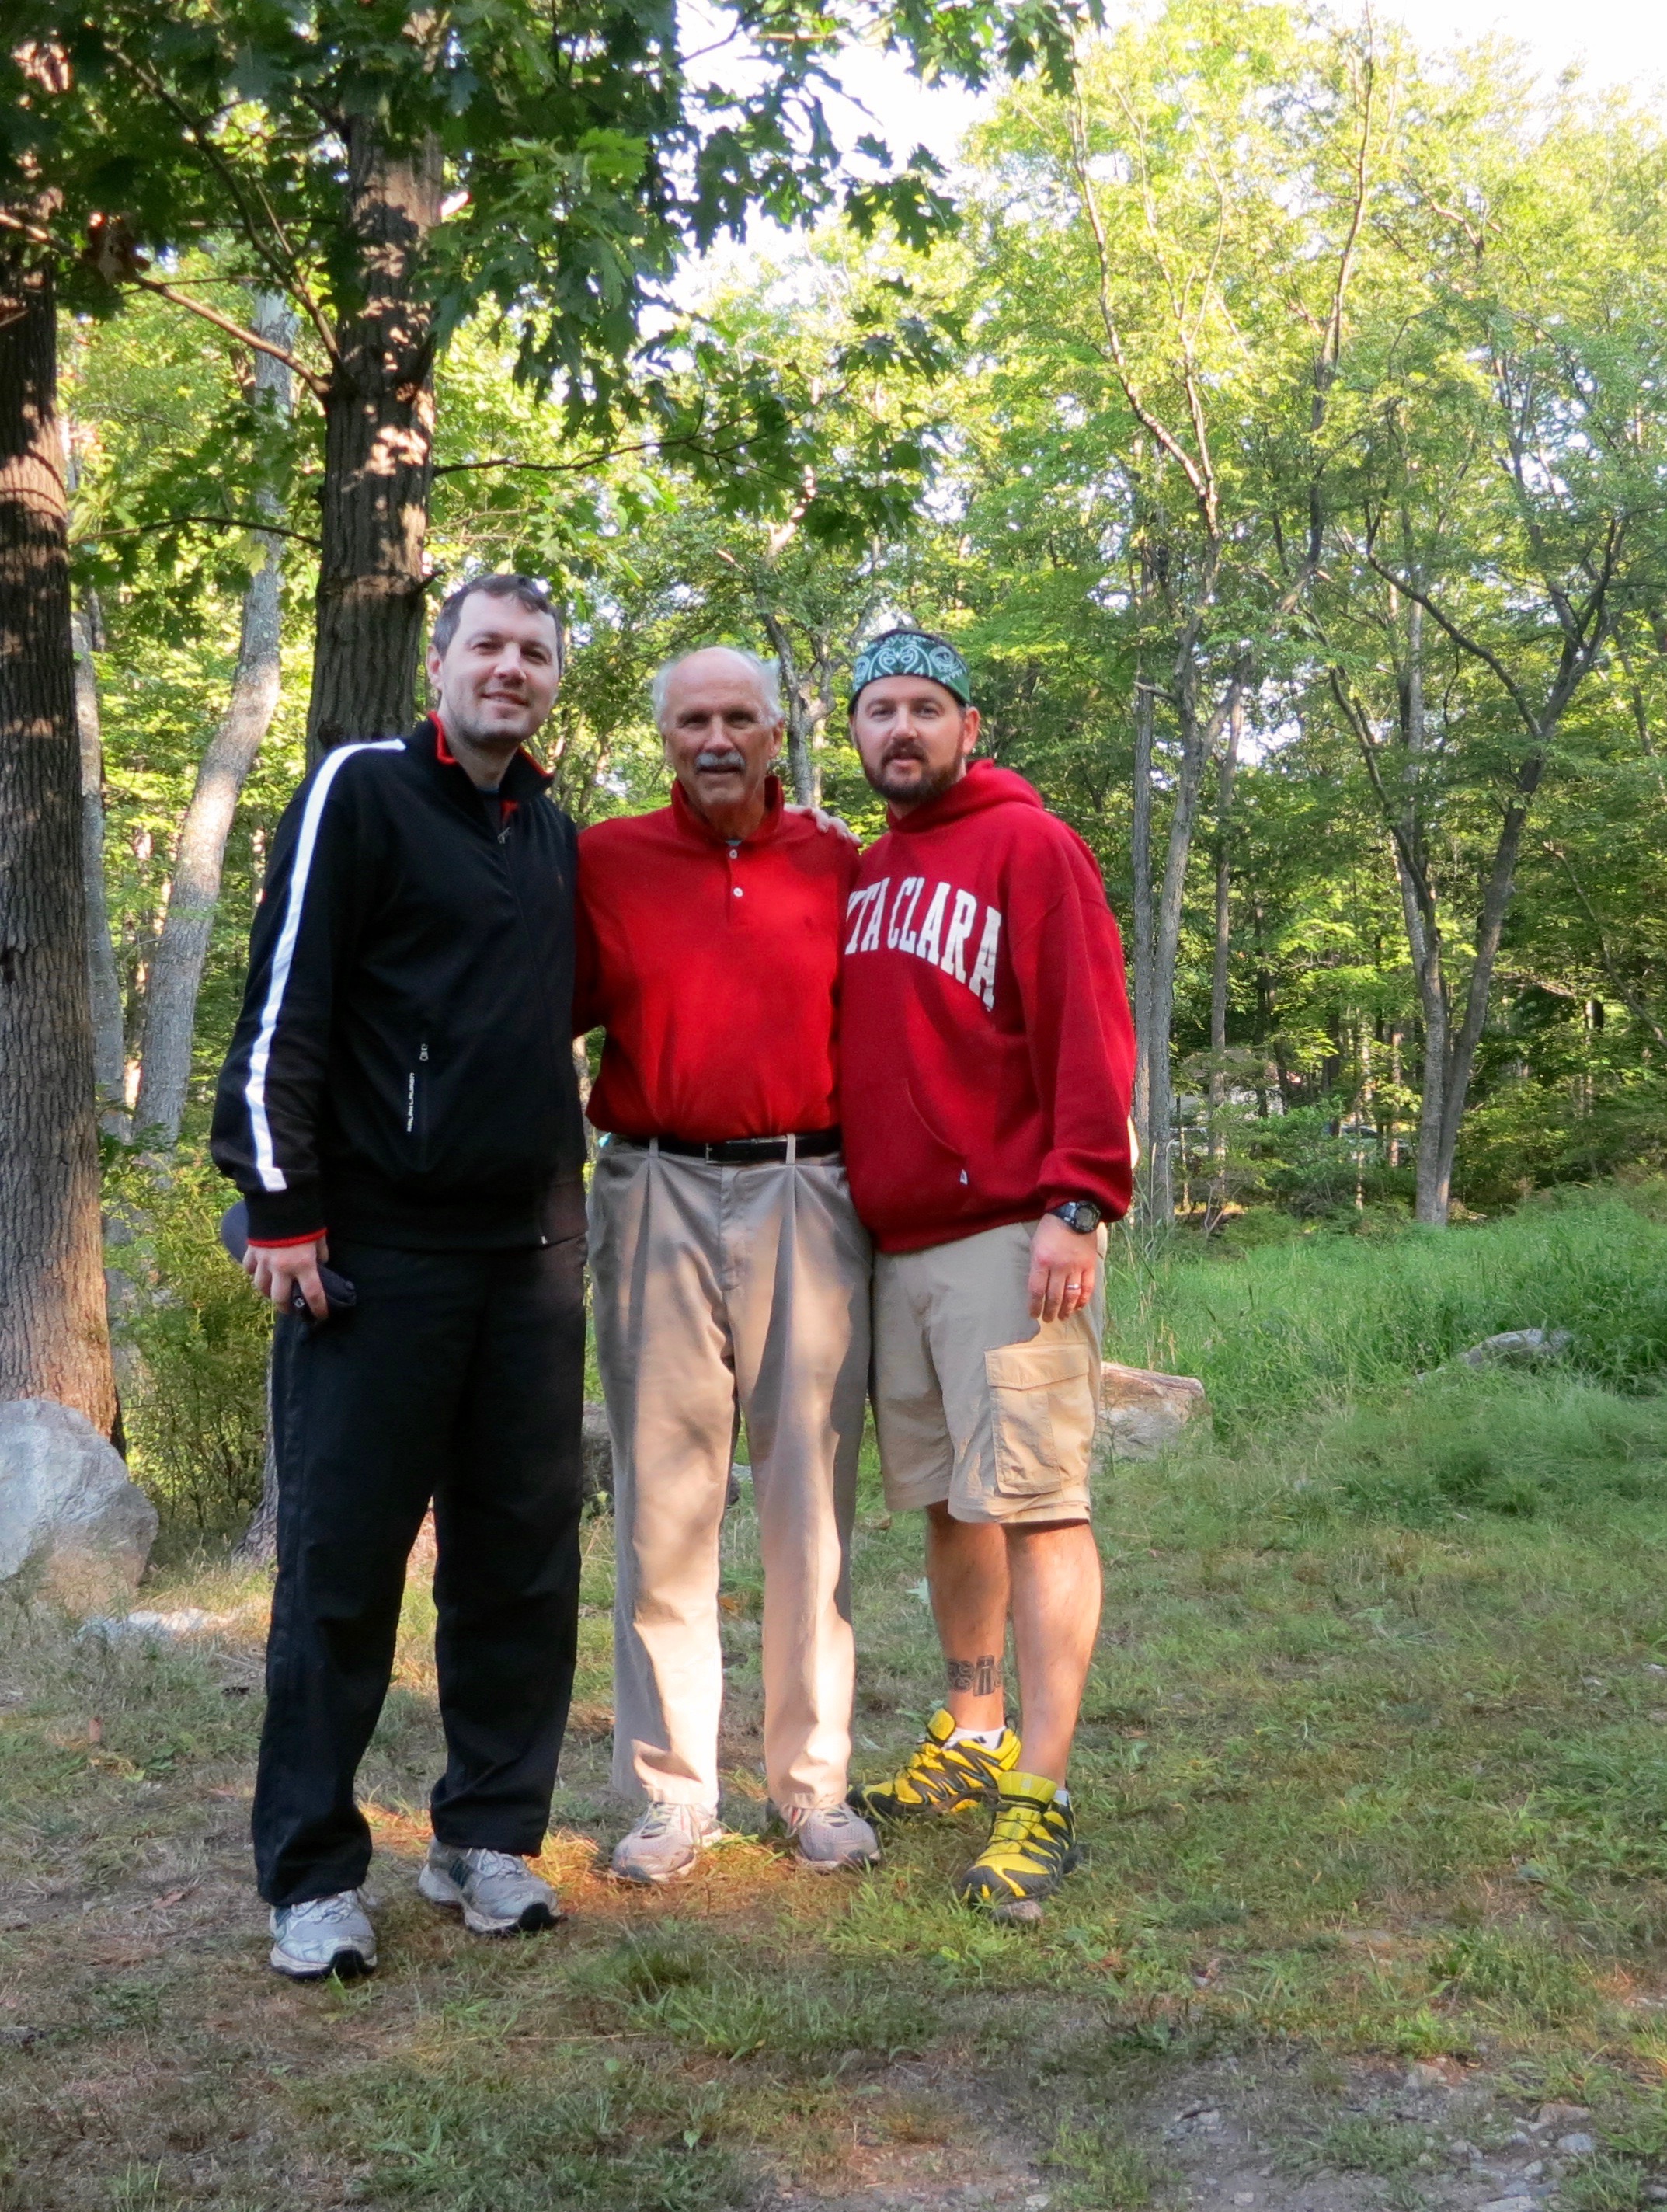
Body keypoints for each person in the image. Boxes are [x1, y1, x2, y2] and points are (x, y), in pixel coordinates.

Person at [212, 574, 588, 1980]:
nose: (510, 669)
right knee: (341, 1569)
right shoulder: (360, 790)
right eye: (486, 645)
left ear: (555, 680)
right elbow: (281, 1007)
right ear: (440, 663)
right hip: (371, 1255)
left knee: (519, 1558)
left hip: (533, 1256)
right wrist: (282, 1206)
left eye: (534, 654)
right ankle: (310, 1876)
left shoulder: (548, 833)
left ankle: (487, 1837)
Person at [840, 628, 1135, 1918]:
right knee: (952, 1506)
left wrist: (1078, 1198)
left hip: (1013, 1231)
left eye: (922, 708)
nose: (898, 731)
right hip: (891, 1244)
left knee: (1038, 1501)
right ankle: (973, 1739)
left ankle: (1042, 1794)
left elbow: (1091, 1023)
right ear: (851, 736)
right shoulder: (863, 872)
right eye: (876, 711)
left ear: (969, 726)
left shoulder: (1031, 846)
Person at [576, 646, 879, 1881]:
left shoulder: (840, 864)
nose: (715, 738)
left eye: (737, 719)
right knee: (664, 1499)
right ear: (665, 738)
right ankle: (671, 1794)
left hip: (807, 1187)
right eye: (692, 719)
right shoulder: (602, 860)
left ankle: (812, 1788)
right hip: (650, 1183)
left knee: (808, 1497)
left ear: (776, 734)